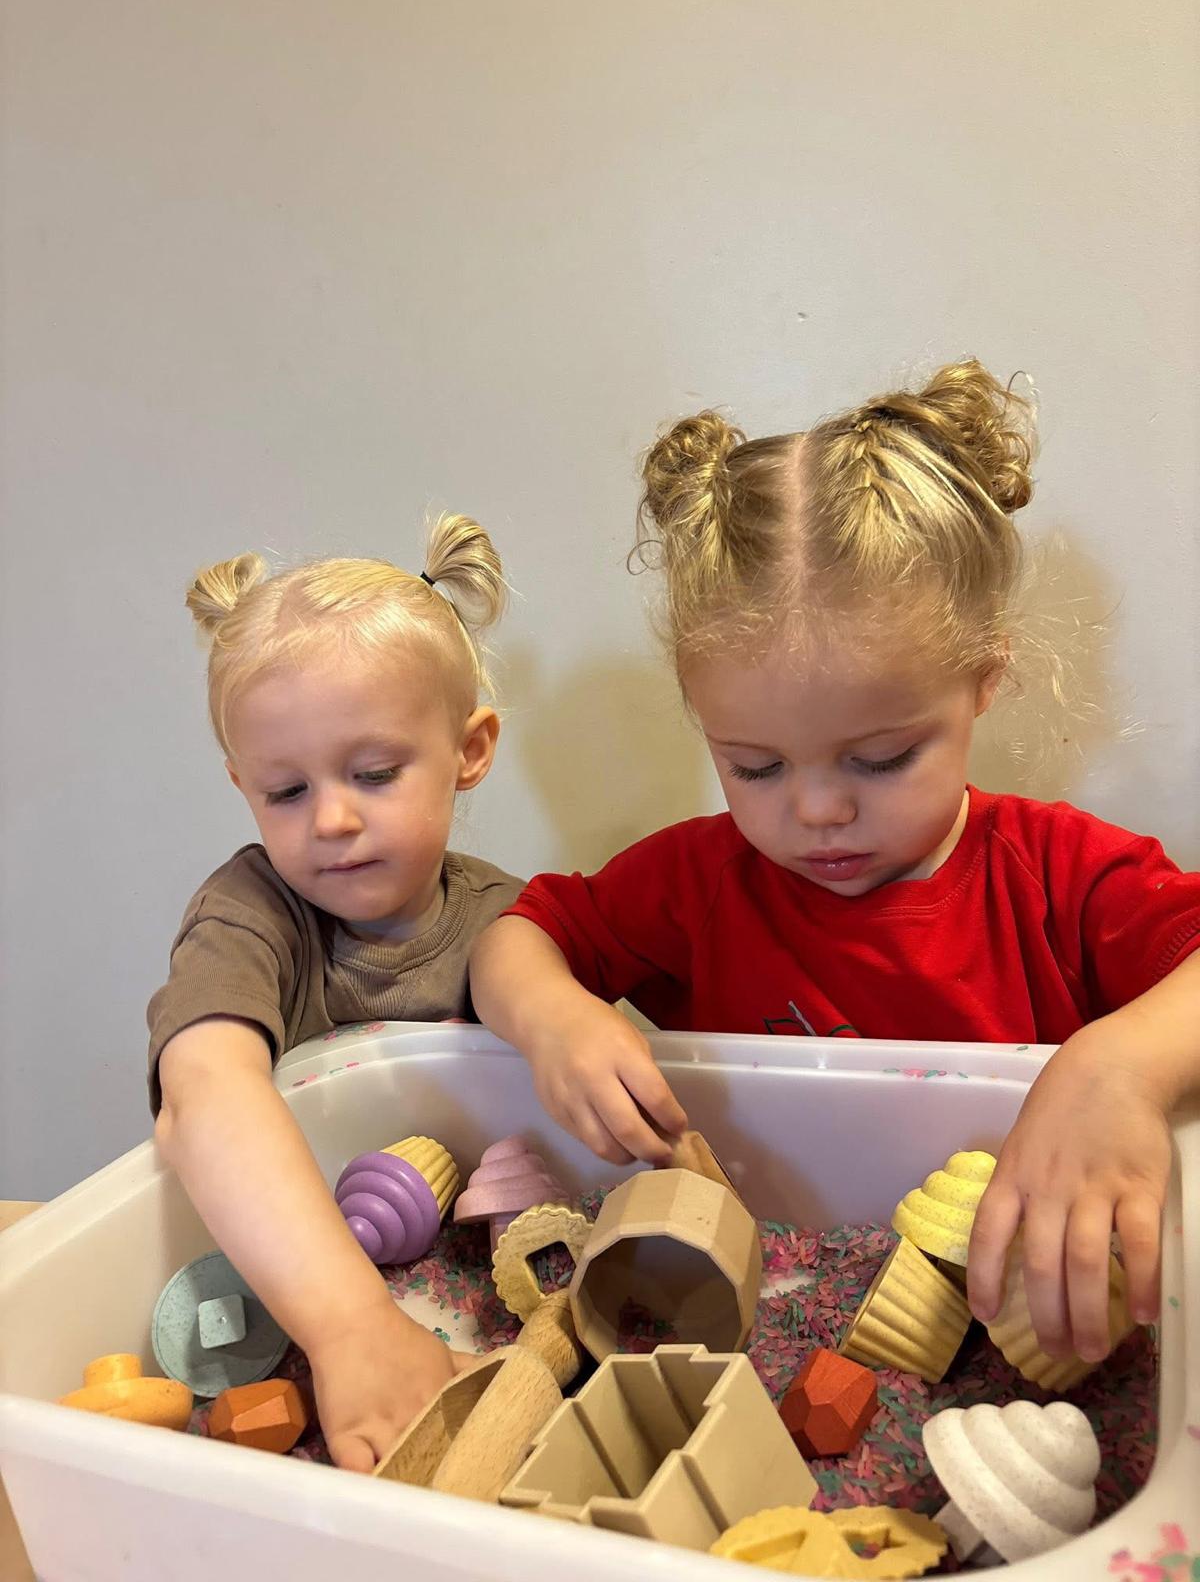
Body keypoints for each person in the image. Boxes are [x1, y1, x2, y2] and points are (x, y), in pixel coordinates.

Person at [470, 360, 1200, 1370]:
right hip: (754, 1300)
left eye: (881, 758)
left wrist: (1118, 1067)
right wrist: (554, 1018)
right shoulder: (700, 881)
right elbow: (517, 939)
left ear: (983, 681)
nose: (817, 810)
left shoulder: (1055, 874)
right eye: (754, 766)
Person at [149, 515, 522, 1470]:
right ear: (242, 785)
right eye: (287, 792)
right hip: (299, 1281)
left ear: (470, 750)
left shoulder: (513, 922)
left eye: (374, 773)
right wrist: (351, 1327)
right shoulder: (250, 915)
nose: (332, 819)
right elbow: (204, 1091)